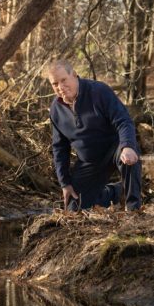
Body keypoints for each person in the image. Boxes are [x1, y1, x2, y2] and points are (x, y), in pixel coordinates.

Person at [48, 59, 142, 211]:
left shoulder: (99, 91)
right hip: (90, 161)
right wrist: (65, 183)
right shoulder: (55, 110)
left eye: (64, 80)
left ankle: (133, 208)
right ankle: (115, 192)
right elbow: (59, 148)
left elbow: (123, 121)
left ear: (74, 75)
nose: (61, 87)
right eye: (55, 84)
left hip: (115, 149)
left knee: (130, 159)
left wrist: (128, 146)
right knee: (74, 207)